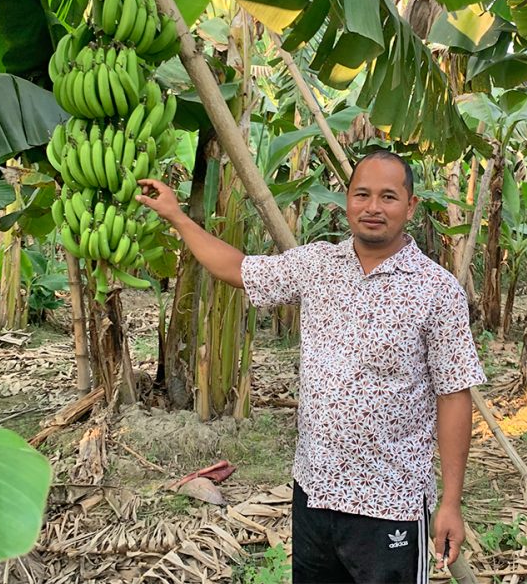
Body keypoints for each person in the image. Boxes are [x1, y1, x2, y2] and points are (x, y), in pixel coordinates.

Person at [136, 150, 486, 584]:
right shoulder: (318, 265)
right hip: (315, 491)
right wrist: (177, 216)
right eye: (362, 194)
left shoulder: (436, 290)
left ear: (410, 206)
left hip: (389, 502)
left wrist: (450, 502)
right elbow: (237, 269)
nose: (373, 207)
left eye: (388, 197)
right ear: (346, 201)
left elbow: (454, 395)